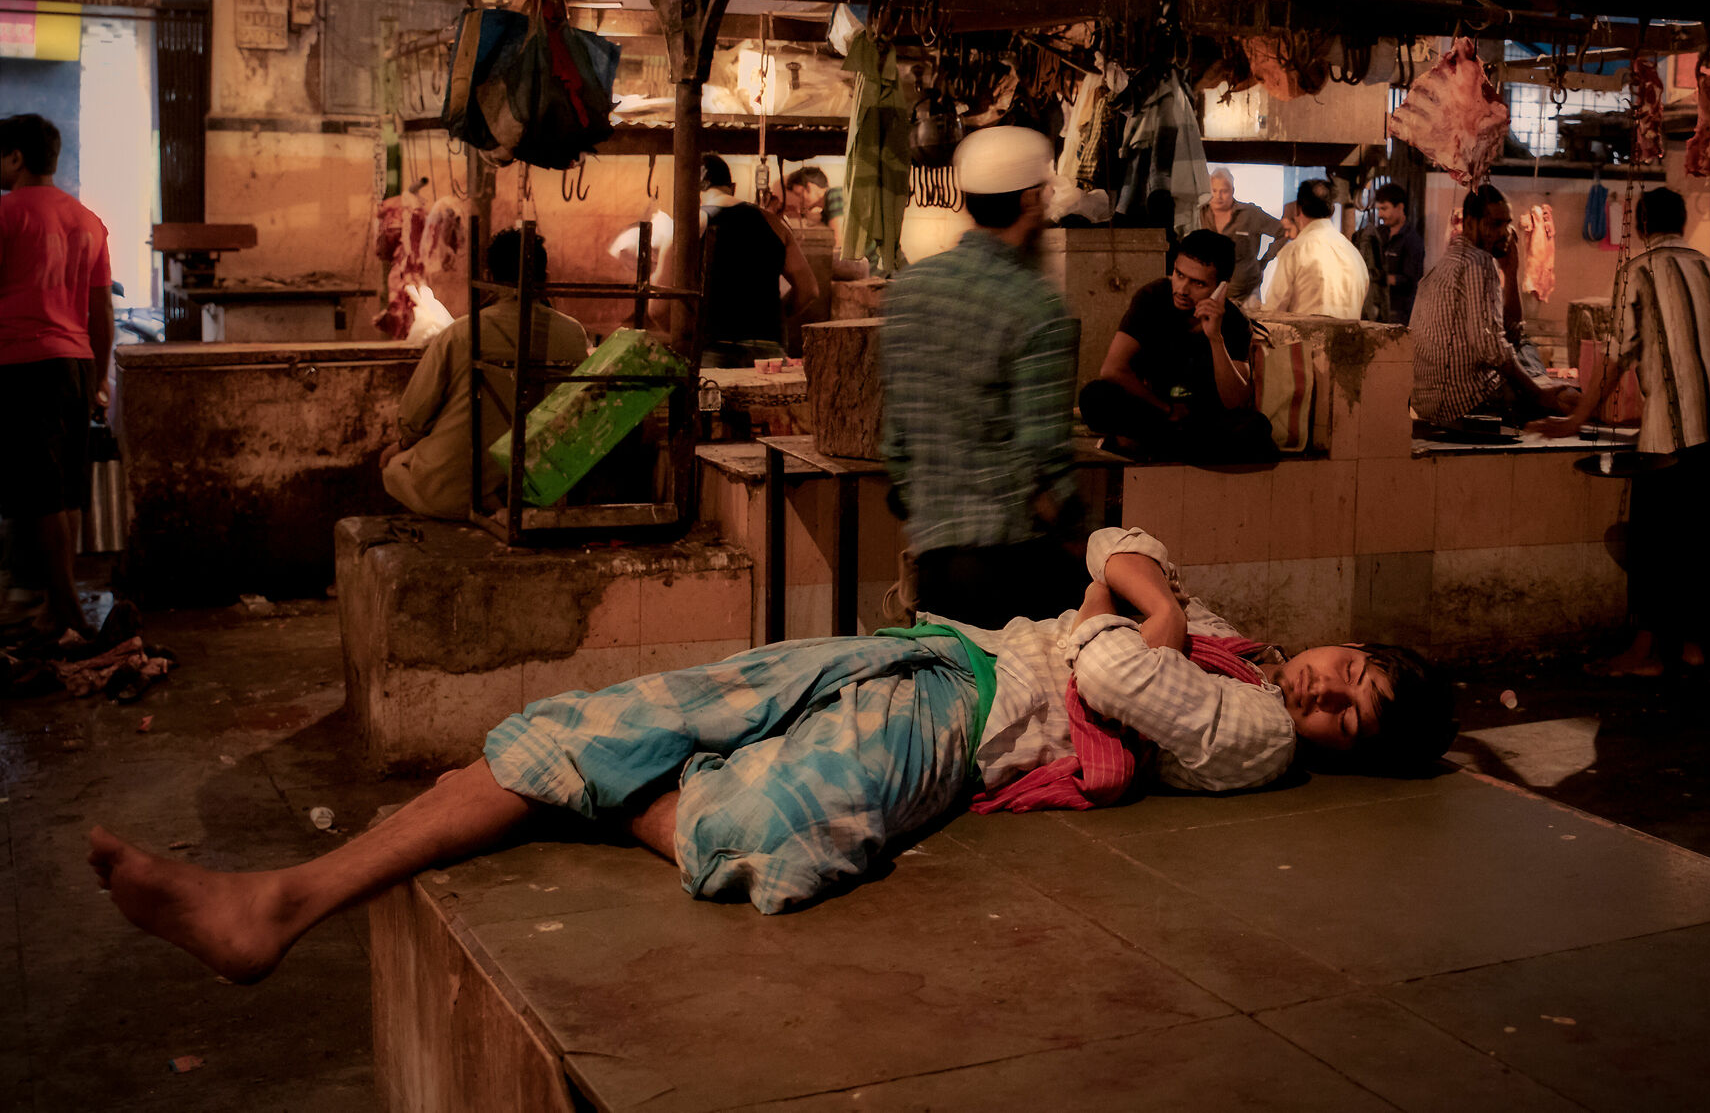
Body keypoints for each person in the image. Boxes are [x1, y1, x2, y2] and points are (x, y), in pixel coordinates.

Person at [87, 526, 1460, 984]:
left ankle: (293, 899)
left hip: (957, 720)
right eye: (1355, 669)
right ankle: (275, 897)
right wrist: (1153, 594)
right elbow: (1115, 538)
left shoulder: (1259, 732)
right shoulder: (1231, 643)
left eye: (1355, 713)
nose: (1331, 690)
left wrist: (1138, 613)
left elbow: (1099, 654)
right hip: (926, 655)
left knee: (750, 832)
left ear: (1348, 751)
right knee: (602, 728)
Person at [1533, 188, 1710, 677]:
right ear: (1681, 222)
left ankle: (1645, 652)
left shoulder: (1639, 271)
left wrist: (1575, 418)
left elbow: (1615, 356)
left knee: (1656, 540)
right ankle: (1695, 645)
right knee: (1706, 538)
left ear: (1642, 225)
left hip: (1674, 433)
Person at [882, 126, 1085, 629]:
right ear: (1030, 201)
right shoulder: (1038, 308)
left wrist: (930, 508)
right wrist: (1086, 538)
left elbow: (896, 444)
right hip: (1010, 566)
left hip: (933, 563)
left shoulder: (908, 291)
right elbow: (1044, 460)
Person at [380, 228, 588, 520]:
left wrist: (401, 445)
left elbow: (413, 417)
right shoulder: (574, 334)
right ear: (546, 277)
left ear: (489, 278)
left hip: (454, 496)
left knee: (393, 466)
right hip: (537, 491)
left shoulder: (462, 333)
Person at [0, 114, 113, 638]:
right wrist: (97, 380)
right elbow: (102, 317)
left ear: (16, 158)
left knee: (39, 493)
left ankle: (66, 608)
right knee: (66, 490)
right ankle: (53, 603)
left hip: (23, 364)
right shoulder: (87, 220)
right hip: (76, 364)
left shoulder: (7, 215)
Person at [1080, 229, 1277, 463]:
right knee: (1095, 396)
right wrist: (1167, 410)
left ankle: (1148, 446)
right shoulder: (1152, 298)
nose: (1182, 289)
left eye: (1198, 283)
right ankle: (1172, 447)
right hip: (1155, 411)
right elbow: (1112, 369)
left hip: (1202, 419)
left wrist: (1215, 338)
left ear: (1221, 288)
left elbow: (1234, 401)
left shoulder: (1234, 322)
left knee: (1256, 430)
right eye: (1179, 274)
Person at [1410, 185, 1574, 430]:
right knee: (1564, 400)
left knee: (1523, 346)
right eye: (1494, 224)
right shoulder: (1479, 262)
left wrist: (1510, 269)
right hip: (1465, 403)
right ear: (1471, 223)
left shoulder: (1446, 263)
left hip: (1428, 403)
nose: (1503, 233)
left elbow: (1509, 331)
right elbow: (1492, 347)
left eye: (1506, 224)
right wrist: (1538, 394)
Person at [698, 155, 817, 367]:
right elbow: (809, 290)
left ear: (694, 190)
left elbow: (657, 310)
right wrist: (777, 314)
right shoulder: (773, 223)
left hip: (713, 348)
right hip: (767, 350)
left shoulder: (690, 225)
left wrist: (688, 332)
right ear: (732, 187)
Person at [1258, 179, 1370, 318]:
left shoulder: (1295, 251)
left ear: (1298, 209)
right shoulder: (1353, 254)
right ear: (1331, 211)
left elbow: (1274, 311)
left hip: (1308, 338)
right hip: (1350, 338)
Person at [1190, 167, 1278, 302]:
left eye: (1224, 191)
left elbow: (1282, 231)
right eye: (1214, 191)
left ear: (1232, 191)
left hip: (1247, 296)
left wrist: (1264, 261)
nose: (1218, 196)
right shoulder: (1199, 215)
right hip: (1208, 295)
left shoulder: (1250, 214)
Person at [1370, 183, 1426, 323]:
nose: (1380, 214)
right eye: (1379, 209)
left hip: (1399, 314)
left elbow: (1410, 280)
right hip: (1377, 310)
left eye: (1384, 208)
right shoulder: (1379, 234)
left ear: (1400, 207)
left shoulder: (1412, 240)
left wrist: (1381, 278)